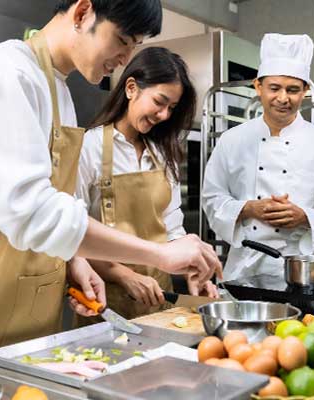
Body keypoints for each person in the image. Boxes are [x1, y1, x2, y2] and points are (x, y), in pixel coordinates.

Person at [0, 0, 221, 370]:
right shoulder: (7, 73)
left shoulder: (60, 94)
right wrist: (160, 254)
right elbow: (30, 211)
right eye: (122, 40)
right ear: (83, 12)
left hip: (30, 318)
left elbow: (56, 204)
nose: (125, 57)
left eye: (134, 46)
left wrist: (74, 262)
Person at [76, 47, 218, 319]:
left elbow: (171, 226)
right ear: (131, 88)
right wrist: (124, 275)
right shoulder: (89, 147)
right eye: (160, 102)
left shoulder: (163, 153)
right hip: (102, 300)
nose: (165, 115)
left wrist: (194, 272)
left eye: (172, 108)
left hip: (158, 298)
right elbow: (72, 234)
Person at [202, 34, 314, 284]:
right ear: (258, 87)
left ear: (305, 92)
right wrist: (249, 208)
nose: (283, 98)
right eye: (274, 88)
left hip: (300, 270)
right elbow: (211, 198)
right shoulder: (231, 140)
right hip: (242, 269)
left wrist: (304, 217)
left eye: (293, 90)